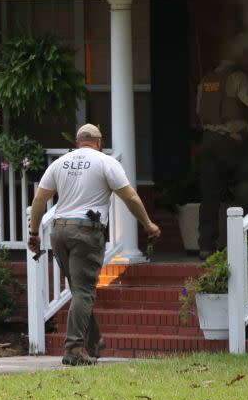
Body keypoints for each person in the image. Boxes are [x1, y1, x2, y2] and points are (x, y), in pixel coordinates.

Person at [27, 124, 162, 366]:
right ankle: (74, 349)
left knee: (79, 290)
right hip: (85, 232)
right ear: (98, 142)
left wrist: (34, 231)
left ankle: (93, 342)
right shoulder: (105, 162)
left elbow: (39, 199)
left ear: (78, 141)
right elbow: (130, 196)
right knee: (84, 292)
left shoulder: (60, 163)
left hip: (59, 231)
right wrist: (148, 224)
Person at [195, 58, 248, 260]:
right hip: (231, 142)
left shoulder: (206, 81)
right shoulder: (237, 78)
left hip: (208, 141)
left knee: (209, 196)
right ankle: (246, 243)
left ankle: (206, 246)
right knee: (244, 191)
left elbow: (200, 112)